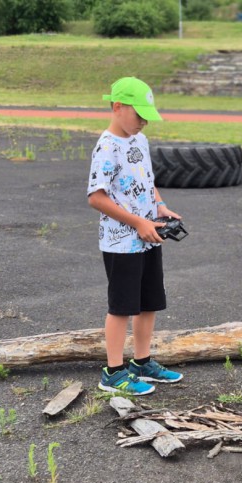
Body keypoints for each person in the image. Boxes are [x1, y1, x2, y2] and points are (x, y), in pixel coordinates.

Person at [87, 76, 183, 395]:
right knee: (122, 306)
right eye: (139, 115)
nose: (144, 122)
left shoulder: (139, 140)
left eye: (147, 116)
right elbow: (96, 197)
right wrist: (137, 222)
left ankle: (141, 362)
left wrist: (160, 206)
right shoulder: (107, 147)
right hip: (121, 242)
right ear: (117, 107)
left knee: (148, 302)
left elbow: (146, 180)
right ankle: (113, 373)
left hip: (147, 236)